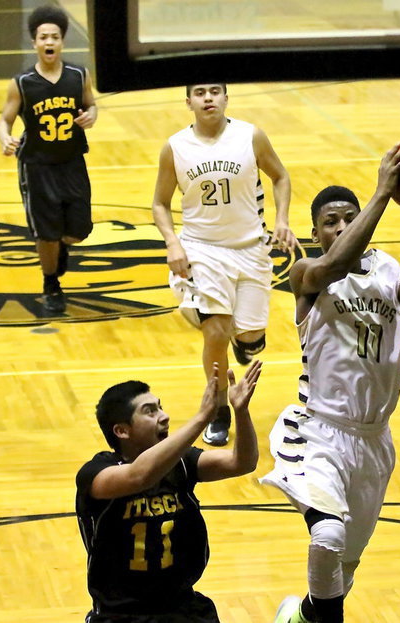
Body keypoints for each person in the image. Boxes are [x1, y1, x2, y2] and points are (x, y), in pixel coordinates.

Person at [261, 143, 400, 623]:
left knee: (344, 567)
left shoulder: (387, 272)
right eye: (331, 221)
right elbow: (333, 265)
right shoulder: (308, 274)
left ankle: (305, 616)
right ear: (315, 233)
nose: (339, 227)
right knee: (326, 538)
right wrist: (381, 194)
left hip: (373, 440)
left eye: (347, 218)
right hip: (319, 430)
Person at [152, 83, 297, 446]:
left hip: (250, 249)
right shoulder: (175, 147)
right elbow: (159, 203)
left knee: (250, 340)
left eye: (215, 91)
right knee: (215, 331)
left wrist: (281, 220)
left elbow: (280, 176)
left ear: (226, 98)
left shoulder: (251, 136)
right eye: (200, 92)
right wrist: (173, 243)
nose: (208, 98)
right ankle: (217, 410)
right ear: (189, 102)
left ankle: (245, 342)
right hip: (203, 248)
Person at [75, 359, 262, 622]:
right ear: (121, 430)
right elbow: (139, 476)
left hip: (183, 606)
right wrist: (201, 418)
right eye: (150, 411)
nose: (164, 416)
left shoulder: (182, 463)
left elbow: (242, 462)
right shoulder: (95, 473)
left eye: (160, 407)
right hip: (121, 614)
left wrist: (241, 412)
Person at [0, 5, 97, 315]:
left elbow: (91, 106)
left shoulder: (79, 75)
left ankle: (62, 248)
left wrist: (91, 117)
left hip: (72, 162)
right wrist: (5, 138)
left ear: (62, 41)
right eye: (43, 37)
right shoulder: (23, 83)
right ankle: (51, 282)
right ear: (35, 43)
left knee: (79, 230)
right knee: (46, 233)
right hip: (37, 167)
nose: (49, 41)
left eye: (55, 36)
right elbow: (5, 119)